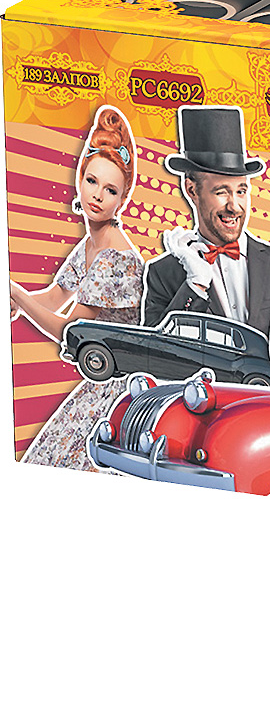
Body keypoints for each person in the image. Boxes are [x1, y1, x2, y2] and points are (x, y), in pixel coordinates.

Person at [11, 106, 145, 472]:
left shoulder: (116, 256)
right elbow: (56, 297)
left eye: (110, 190)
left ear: (122, 199)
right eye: (91, 181)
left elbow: (72, 331)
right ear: (79, 176)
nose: (97, 195)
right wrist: (16, 301)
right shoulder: (90, 244)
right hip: (100, 378)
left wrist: (17, 295)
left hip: (120, 389)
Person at [142, 105, 270, 337]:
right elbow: (153, 348)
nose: (234, 206)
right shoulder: (163, 273)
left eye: (241, 191)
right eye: (221, 192)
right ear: (191, 190)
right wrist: (195, 284)